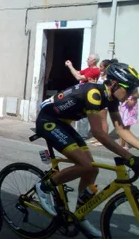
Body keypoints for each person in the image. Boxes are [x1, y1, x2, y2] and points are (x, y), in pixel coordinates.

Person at [35, 62, 139, 237]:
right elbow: (98, 133)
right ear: (113, 84)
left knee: (92, 169)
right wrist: (129, 156)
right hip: (48, 121)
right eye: (128, 89)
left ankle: (80, 216)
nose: (130, 95)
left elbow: (121, 129)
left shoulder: (111, 98)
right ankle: (44, 186)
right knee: (85, 165)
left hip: (63, 123)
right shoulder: (93, 93)